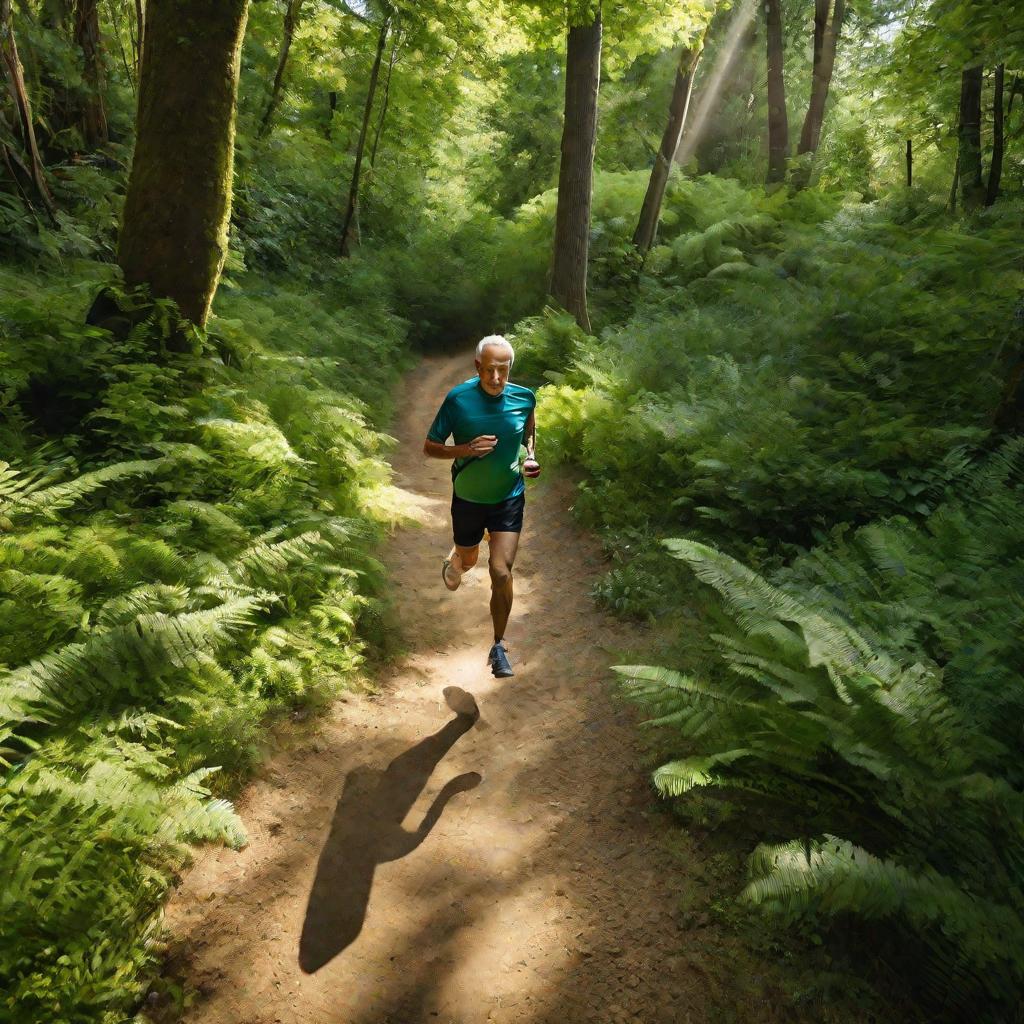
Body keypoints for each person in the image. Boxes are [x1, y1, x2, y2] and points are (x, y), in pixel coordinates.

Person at [423, 336, 540, 678]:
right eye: (489, 370)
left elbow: (529, 429)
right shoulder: (458, 400)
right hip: (469, 498)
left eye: (502, 370)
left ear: (510, 369)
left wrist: (530, 455)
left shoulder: (524, 397)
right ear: (478, 367)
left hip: (508, 497)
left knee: (501, 572)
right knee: (472, 559)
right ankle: (458, 560)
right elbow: (430, 447)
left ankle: (499, 646)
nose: (496, 378)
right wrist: (466, 450)